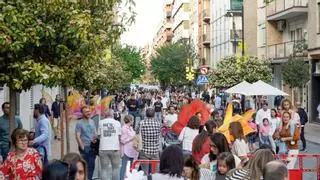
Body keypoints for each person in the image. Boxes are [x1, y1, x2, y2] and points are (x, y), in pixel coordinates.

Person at [98, 109, 121, 180]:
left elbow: (99, 135)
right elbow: (119, 136)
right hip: (115, 148)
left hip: (103, 148)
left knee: (104, 169)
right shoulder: (117, 123)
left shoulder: (100, 122)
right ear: (112, 115)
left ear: (105, 115)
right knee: (115, 169)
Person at [75, 106, 97, 180]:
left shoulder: (92, 121)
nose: (88, 113)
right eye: (86, 112)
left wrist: (95, 140)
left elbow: (94, 133)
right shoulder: (79, 123)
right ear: (82, 113)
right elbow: (77, 136)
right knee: (85, 166)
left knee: (92, 166)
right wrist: (82, 147)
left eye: (89, 111)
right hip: (85, 147)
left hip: (92, 147)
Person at [139, 108, 161, 175]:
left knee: (144, 172)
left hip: (144, 149)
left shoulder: (142, 123)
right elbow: (159, 136)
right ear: (154, 115)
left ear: (146, 114)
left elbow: (138, 134)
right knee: (155, 173)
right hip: (155, 150)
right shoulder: (158, 124)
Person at [120, 115, 139, 180]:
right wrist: (131, 138)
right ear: (130, 120)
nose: (133, 121)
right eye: (132, 120)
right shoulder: (123, 128)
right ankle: (121, 178)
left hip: (132, 150)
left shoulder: (131, 128)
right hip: (125, 150)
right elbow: (122, 140)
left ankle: (130, 178)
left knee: (132, 166)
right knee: (124, 166)